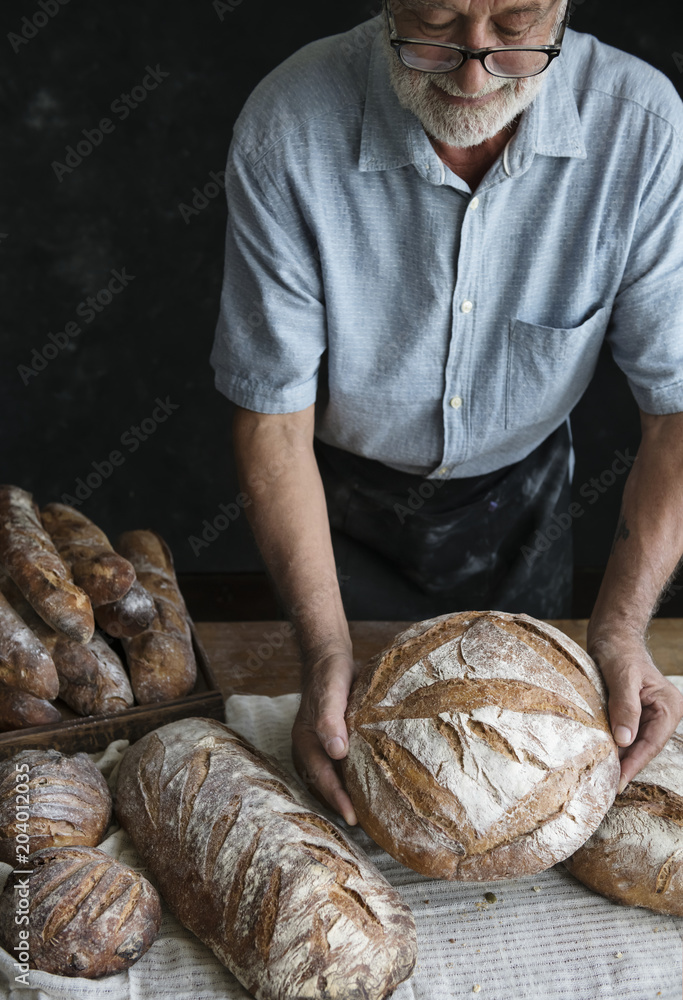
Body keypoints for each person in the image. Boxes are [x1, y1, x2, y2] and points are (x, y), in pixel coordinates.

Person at [210, 0, 683, 825]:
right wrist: (323, 648)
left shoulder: (640, 127)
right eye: (433, 24)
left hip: (522, 489)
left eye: (512, 30)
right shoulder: (289, 122)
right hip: (338, 496)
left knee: (519, 782)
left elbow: (677, 412)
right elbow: (271, 421)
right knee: (355, 769)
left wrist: (618, 627)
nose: (472, 74)